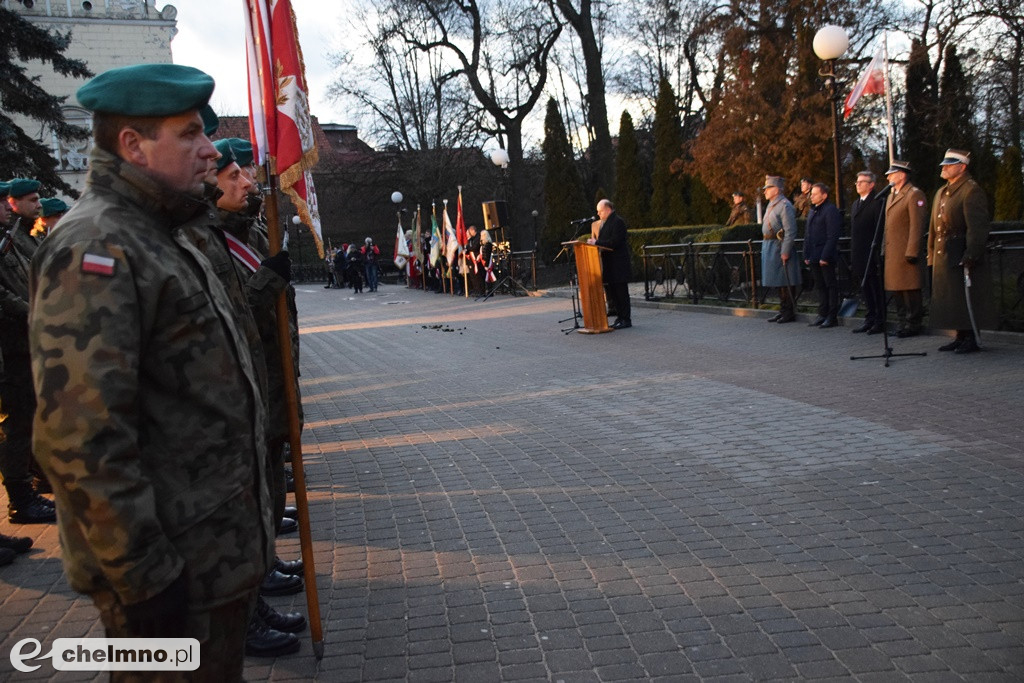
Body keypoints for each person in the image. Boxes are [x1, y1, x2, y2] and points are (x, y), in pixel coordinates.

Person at [28, 63, 274, 680]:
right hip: (167, 575)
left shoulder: (165, 231)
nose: (210, 149)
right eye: (189, 133)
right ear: (133, 146)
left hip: (207, 554)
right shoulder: (98, 246)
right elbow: (81, 437)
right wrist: (142, 576)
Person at [1, 179, 56, 525]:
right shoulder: (11, 238)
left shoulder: (16, 238)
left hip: (25, 342)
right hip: (12, 346)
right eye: (5, 202)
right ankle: (20, 499)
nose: (7, 207)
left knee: (29, 418)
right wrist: (35, 312)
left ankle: (31, 486)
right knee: (17, 424)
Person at [927, 148, 994, 354]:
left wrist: (971, 253)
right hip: (944, 250)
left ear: (962, 167)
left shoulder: (970, 190)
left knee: (966, 296)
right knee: (952, 297)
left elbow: (977, 226)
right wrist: (930, 251)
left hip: (960, 248)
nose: (944, 168)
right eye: (944, 164)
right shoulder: (942, 191)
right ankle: (960, 335)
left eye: (949, 165)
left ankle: (972, 336)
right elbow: (933, 226)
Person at [882, 160, 928, 338]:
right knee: (897, 290)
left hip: (906, 253)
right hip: (893, 253)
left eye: (891, 174)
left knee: (910, 290)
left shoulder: (914, 195)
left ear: (902, 175)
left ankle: (913, 324)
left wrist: (912, 251)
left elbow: (917, 225)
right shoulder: (891, 195)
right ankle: (902, 323)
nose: (888, 177)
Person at [761, 175, 801, 323]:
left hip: (779, 245)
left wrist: (785, 250)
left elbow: (790, 230)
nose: (765, 191)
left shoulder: (784, 205)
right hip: (770, 246)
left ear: (776, 189)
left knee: (786, 280)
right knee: (778, 281)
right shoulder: (772, 205)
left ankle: (789, 311)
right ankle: (782, 309)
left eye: (768, 188)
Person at [849, 171, 885, 334]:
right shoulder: (856, 203)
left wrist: (877, 249)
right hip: (859, 252)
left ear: (871, 185)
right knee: (864, 288)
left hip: (872, 252)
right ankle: (869, 318)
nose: (858, 184)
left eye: (862, 182)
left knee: (875, 287)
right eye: (857, 181)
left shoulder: (877, 202)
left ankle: (879, 319)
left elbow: (879, 228)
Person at [802, 182, 842, 328]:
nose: (811, 196)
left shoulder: (830, 210)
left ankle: (832, 316)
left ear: (824, 195)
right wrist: (806, 254)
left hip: (825, 255)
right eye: (811, 194)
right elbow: (807, 234)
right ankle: (822, 313)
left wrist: (825, 256)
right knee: (820, 285)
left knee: (830, 285)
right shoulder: (813, 210)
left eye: (814, 194)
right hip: (813, 255)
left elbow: (832, 235)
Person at [587, 198, 631, 329]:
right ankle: (619, 317)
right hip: (609, 264)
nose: (598, 214)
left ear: (608, 209)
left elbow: (614, 242)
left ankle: (626, 319)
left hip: (618, 264)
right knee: (613, 293)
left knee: (621, 293)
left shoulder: (618, 222)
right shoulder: (606, 223)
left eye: (600, 211)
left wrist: (596, 243)